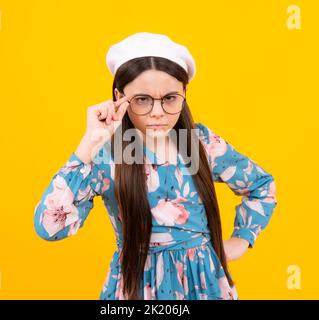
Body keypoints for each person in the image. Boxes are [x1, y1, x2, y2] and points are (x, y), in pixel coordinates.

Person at [33, 32, 277, 300]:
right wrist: (89, 143)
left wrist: (242, 239)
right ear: (119, 96)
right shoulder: (109, 156)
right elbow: (49, 227)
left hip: (204, 287)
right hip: (138, 286)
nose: (157, 111)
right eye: (142, 99)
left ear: (184, 93)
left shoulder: (200, 144)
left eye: (170, 98)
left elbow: (261, 185)